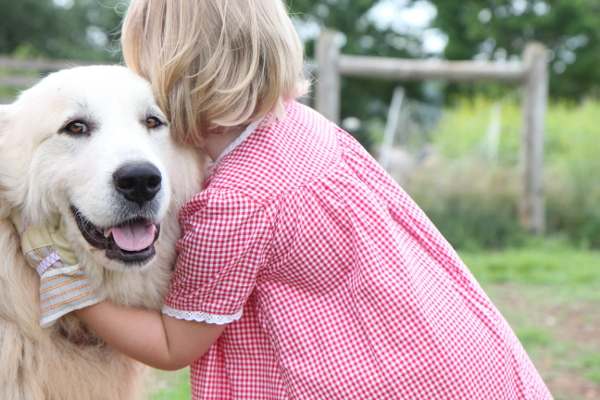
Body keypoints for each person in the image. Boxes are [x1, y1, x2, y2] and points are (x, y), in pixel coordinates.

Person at [14, 0, 553, 398]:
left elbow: (174, 346)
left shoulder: (237, 203)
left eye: (151, 110)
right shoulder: (306, 128)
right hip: (455, 355)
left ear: (172, 74)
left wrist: (69, 287)